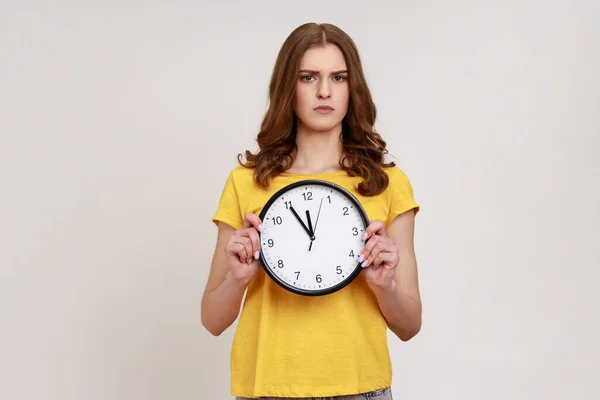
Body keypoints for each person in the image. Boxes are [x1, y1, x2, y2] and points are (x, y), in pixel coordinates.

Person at [201, 22, 422, 400]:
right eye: (308, 77)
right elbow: (212, 320)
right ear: (289, 86)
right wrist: (238, 278)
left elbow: (409, 324)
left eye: (338, 77)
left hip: (360, 388)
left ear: (354, 89)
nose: (324, 91)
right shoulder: (246, 181)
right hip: (268, 389)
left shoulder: (387, 183)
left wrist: (384, 286)